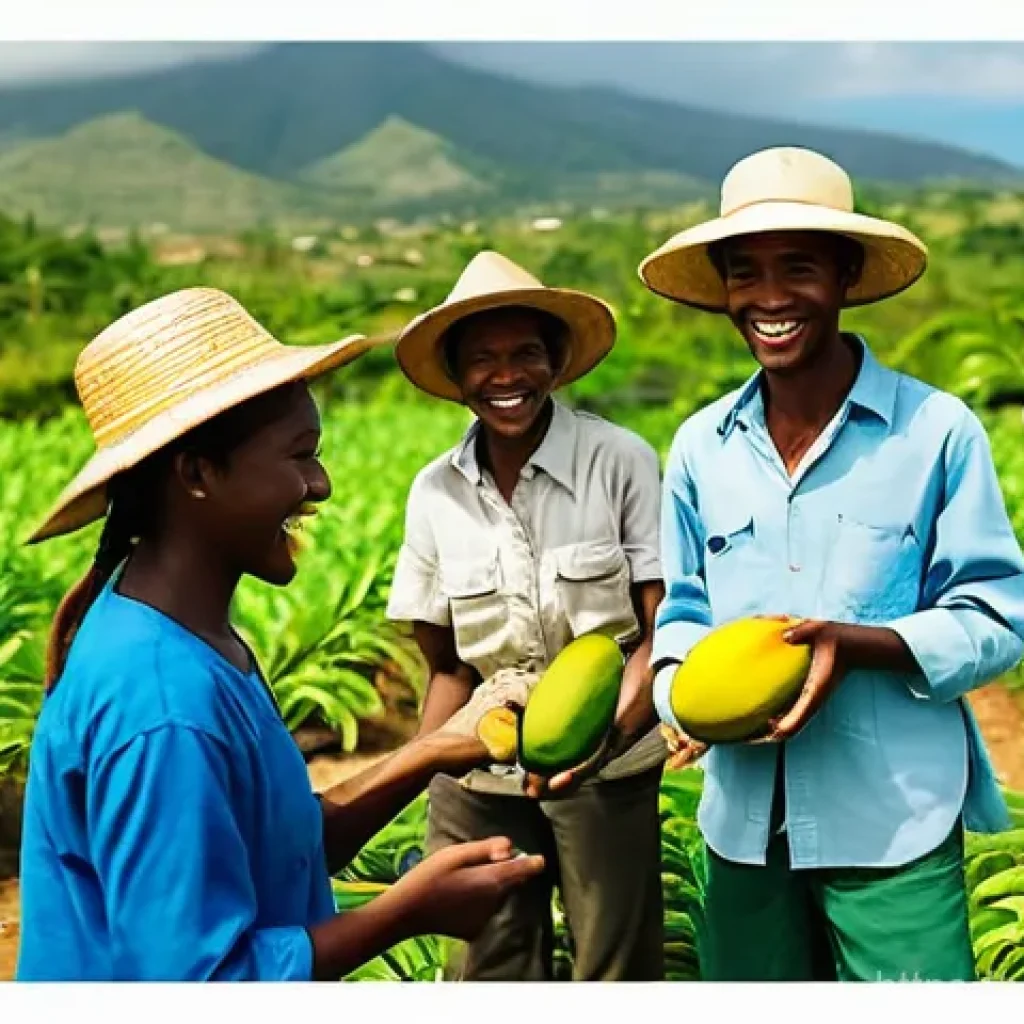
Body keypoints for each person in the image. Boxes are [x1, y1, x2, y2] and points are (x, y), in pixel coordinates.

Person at [15, 287, 545, 982]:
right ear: (198, 474)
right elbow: (202, 983)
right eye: (299, 456)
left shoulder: (190, 638)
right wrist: (408, 910)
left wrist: (434, 752)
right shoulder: (161, 701)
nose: (319, 484)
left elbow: (283, 846)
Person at [638, 146, 1024, 982]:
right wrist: (681, 694)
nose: (770, 298)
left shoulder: (935, 432)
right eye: (747, 274)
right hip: (741, 819)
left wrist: (860, 644)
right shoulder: (703, 446)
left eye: (799, 268)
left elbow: (999, 617)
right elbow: (681, 616)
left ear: (847, 274)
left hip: (892, 815)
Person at [386, 251, 669, 981]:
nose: (505, 377)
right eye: (482, 359)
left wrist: (600, 746)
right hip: (480, 769)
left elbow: (656, 630)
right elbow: (446, 664)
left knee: (613, 963)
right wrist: (427, 772)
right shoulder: (434, 492)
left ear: (557, 361)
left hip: (609, 759)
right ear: (456, 375)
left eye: (525, 354)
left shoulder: (620, 460)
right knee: (486, 967)